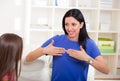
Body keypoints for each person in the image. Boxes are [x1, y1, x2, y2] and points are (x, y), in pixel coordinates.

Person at [26, 8, 109, 81]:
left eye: (73, 24)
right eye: (66, 24)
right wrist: (44, 51)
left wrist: (87, 58)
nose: (69, 28)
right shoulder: (56, 40)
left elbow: (106, 70)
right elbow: (28, 58)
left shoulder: (89, 44)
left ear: (81, 25)